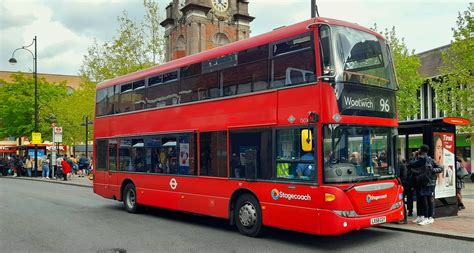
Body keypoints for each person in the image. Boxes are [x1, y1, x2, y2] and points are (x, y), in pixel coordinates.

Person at [408, 144, 442, 226]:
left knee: (427, 200)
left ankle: (428, 217)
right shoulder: (421, 159)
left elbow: (441, 168)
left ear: (421, 150)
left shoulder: (428, 159)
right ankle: (422, 216)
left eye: (419, 149)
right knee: (421, 200)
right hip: (420, 182)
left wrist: (432, 170)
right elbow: (413, 165)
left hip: (428, 183)